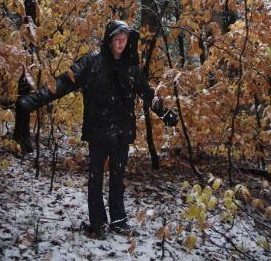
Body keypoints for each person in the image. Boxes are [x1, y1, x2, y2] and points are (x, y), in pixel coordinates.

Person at [18, 20, 178, 239]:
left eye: (124, 40)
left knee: (118, 179)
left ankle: (119, 222)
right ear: (109, 40)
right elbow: (63, 83)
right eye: (117, 39)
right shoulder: (92, 62)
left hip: (122, 132)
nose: (121, 44)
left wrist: (165, 113)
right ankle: (97, 223)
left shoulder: (131, 67)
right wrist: (34, 101)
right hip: (98, 131)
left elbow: (147, 93)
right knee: (95, 179)